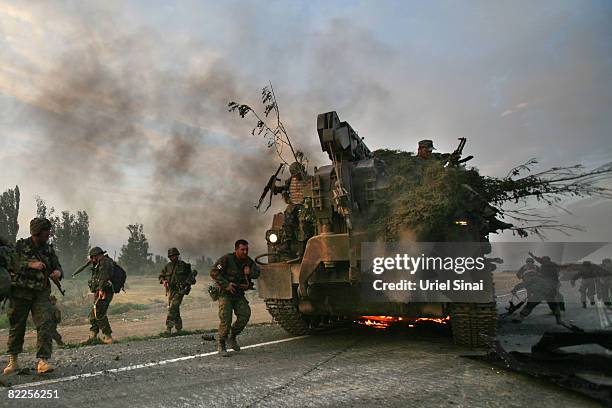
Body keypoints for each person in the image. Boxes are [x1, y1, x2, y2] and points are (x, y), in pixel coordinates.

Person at [4, 217, 63, 375]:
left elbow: (57, 266)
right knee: (17, 325)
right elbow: (10, 263)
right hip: (20, 292)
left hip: (41, 292)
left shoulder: (48, 250)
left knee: (46, 323)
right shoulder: (20, 246)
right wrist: (30, 264)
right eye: (46, 230)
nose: (49, 233)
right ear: (38, 231)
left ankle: (43, 361)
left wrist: (58, 272)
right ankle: (13, 361)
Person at [210, 239, 260, 356]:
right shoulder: (227, 259)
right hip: (225, 294)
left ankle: (232, 337)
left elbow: (257, 273)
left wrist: (249, 273)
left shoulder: (248, 261)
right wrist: (226, 284)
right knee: (225, 319)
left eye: (247, 249)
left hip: (238, 294)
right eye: (242, 249)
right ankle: (221, 343)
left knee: (245, 314)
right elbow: (213, 272)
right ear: (236, 249)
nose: (245, 252)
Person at [273, 161, 310, 259]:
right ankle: (286, 244)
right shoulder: (290, 180)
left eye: (298, 174)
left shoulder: (309, 179)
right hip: (293, 204)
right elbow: (285, 188)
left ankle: (302, 248)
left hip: (305, 204)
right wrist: (276, 189)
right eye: (295, 175)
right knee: (287, 218)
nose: (297, 177)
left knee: (302, 222)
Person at [159, 247, 197, 334]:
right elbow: (161, 276)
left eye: (175, 255)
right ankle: (179, 328)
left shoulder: (184, 266)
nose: (174, 257)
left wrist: (188, 283)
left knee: (173, 306)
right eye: (172, 256)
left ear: (178, 255)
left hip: (181, 289)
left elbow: (192, 278)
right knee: (175, 308)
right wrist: (163, 280)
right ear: (169, 257)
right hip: (171, 290)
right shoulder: (167, 266)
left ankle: (168, 328)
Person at [81, 247, 114, 345]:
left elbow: (104, 277)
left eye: (92, 257)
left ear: (96, 256)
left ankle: (108, 337)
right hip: (99, 291)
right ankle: (93, 336)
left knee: (99, 313)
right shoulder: (98, 263)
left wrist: (101, 290)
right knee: (93, 314)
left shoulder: (105, 262)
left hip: (104, 292)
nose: (91, 259)